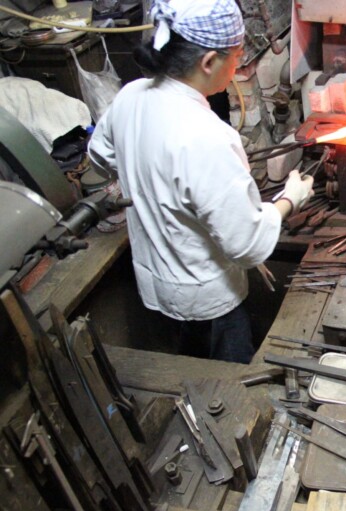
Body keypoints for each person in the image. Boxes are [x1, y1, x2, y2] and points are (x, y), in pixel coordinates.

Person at [88, 0, 313, 364]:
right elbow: (248, 244)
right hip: (208, 296)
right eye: (237, 55)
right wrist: (291, 197)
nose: (238, 63)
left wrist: (146, 171)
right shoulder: (208, 137)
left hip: (156, 280)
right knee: (229, 374)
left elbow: (100, 157)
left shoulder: (130, 96)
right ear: (209, 61)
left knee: (188, 355)